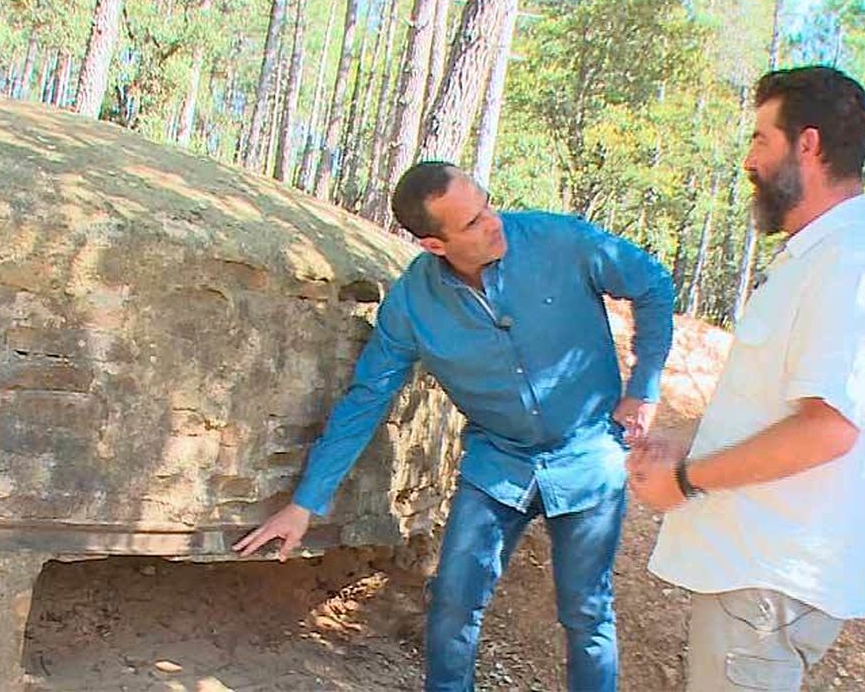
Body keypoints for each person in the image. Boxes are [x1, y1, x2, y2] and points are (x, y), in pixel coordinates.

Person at [234, 161, 674, 691]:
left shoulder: (560, 240)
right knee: (452, 606)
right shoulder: (412, 305)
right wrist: (306, 502)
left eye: (487, 203)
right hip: (499, 462)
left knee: (586, 614)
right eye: (472, 222)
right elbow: (367, 398)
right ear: (434, 245)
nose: (494, 222)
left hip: (587, 455)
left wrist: (643, 384)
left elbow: (652, 283)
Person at [630, 66, 865, 691]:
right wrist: (687, 441)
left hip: (770, 581)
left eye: (761, 139)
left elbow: (827, 431)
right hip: (761, 576)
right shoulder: (820, 258)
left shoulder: (852, 264)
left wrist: (685, 479)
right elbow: (779, 411)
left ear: (806, 145)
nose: (750, 159)